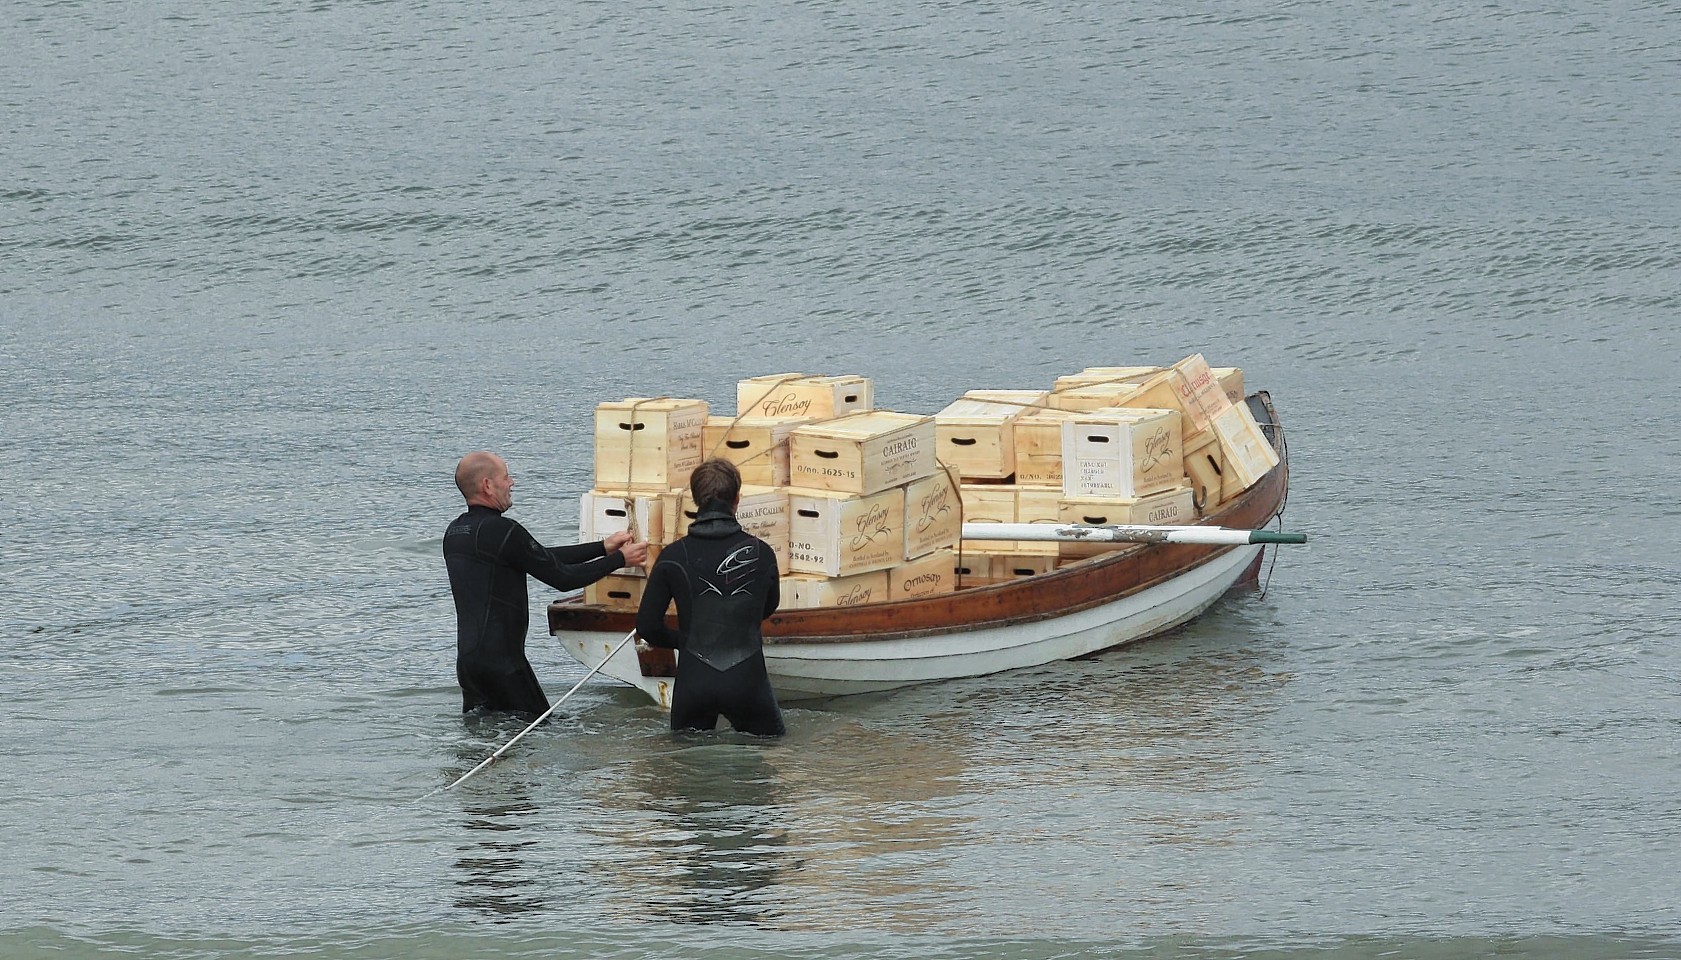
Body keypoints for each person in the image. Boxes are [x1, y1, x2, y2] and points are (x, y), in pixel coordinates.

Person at [444, 450, 649, 716]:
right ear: (487, 485)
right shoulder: (504, 531)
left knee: (485, 741)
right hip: (504, 664)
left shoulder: (455, 533)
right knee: (535, 733)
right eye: (506, 477)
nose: (512, 483)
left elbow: (538, 556)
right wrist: (620, 560)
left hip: (469, 666)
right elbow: (563, 578)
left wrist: (602, 548)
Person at [635, 458, 785, 736]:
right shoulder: (762, 553)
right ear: (737, 498)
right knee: (763, 765)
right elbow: (767, 606)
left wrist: (689, 641)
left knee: (687, 766)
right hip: (747, 680)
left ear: (694, 499)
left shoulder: (672, 556)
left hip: (694, 680)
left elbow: (647, 626)